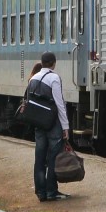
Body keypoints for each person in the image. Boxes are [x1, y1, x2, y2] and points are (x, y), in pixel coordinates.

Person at [30, 51, 70, 202]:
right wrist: (65, 126)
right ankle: (51, 191)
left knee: (39, 158)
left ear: (42, 62)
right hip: (53, 123)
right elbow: (59, 104)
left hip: (39, 123)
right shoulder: (54, 78)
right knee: (53, 157)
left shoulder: (33, 78)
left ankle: (41, 192)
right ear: (54, 63)